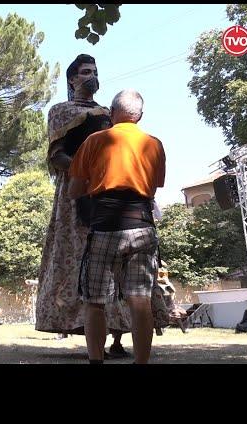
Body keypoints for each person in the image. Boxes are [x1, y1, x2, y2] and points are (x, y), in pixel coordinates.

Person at [36, 55, 133, 358]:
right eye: (85, 72)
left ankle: (118, 337)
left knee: (118, 260)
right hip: (76, 190)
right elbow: (56, 155)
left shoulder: (108, 113)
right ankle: (87, 334)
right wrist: (85, 170)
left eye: (95, 71)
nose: (92, 76)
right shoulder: (60, 112)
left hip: (112, 191)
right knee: (77, 257)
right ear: (72, 79)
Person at [68, 89, 166, 364]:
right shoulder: (154, 144)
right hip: (142, 228)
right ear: (140, 116)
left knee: (95, 301)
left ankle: (96, 360)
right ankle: (141, 362)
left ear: (111, 113)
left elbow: (74, 190)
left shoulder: (94, 141)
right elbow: (155, 185)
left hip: (104, 228)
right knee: (140, 299)